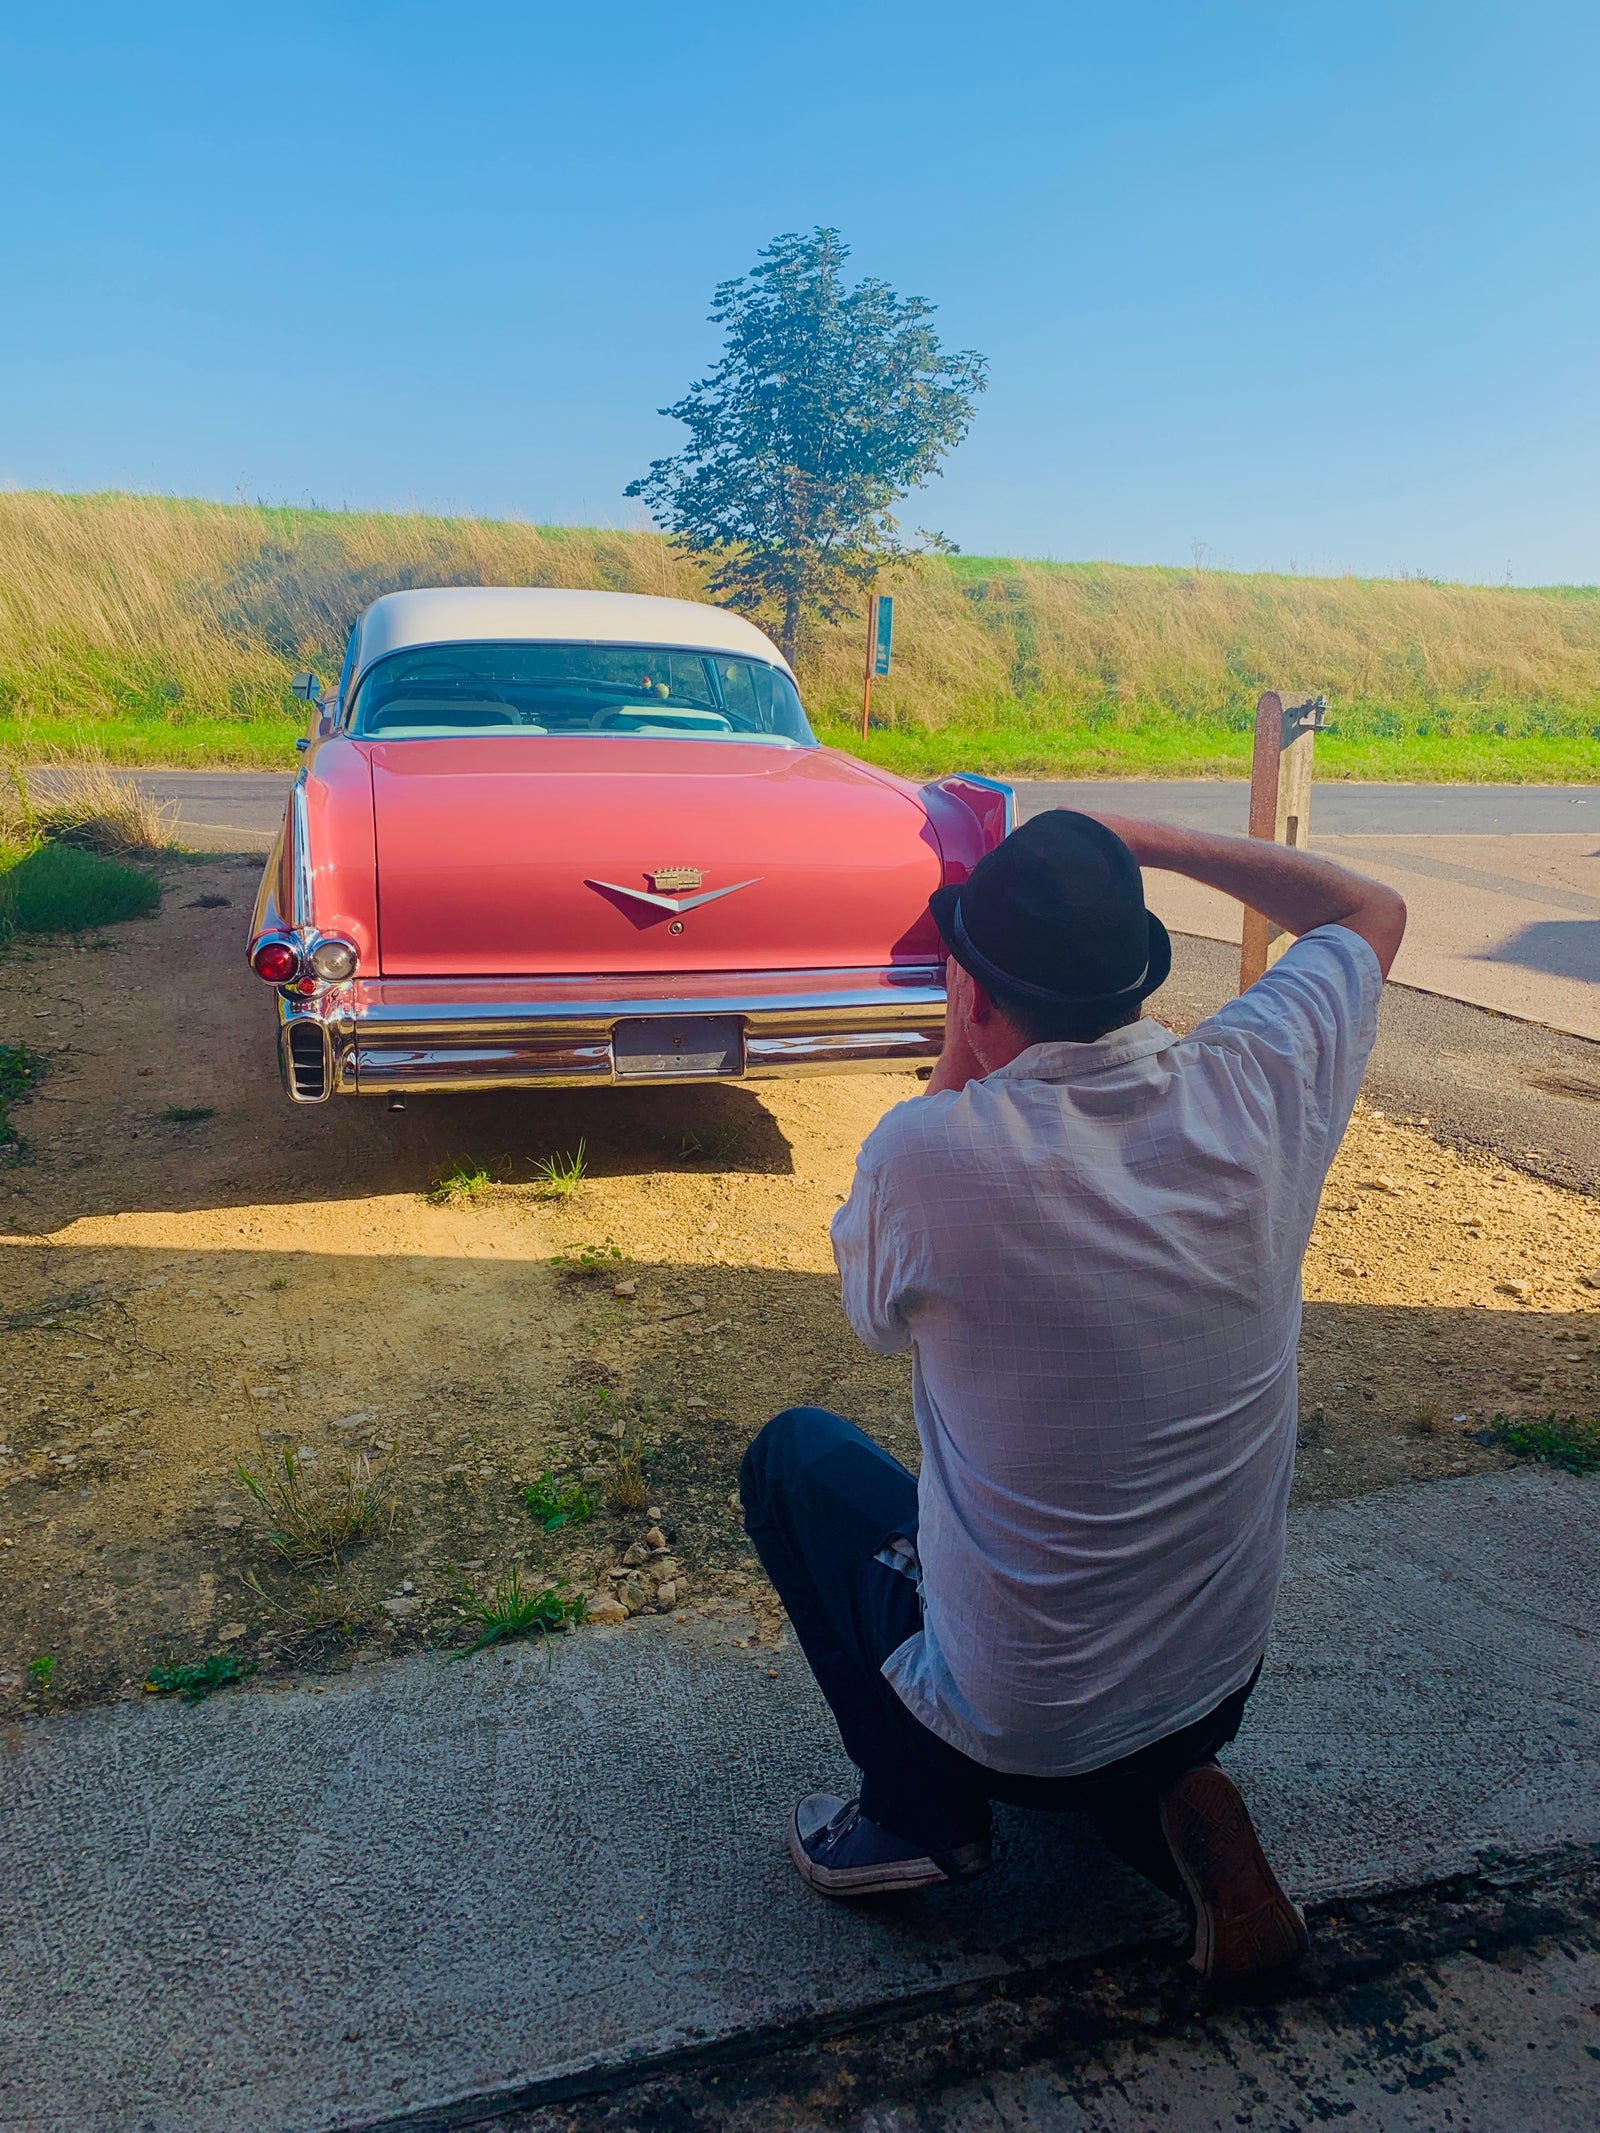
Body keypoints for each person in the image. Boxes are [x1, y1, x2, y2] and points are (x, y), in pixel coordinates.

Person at [740, 809, 1406, 1985]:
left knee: (794, 1462)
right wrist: (1143, 842)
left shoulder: (931, 1153)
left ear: (980, 995)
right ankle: (1162, 1803)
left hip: (1024, 1716)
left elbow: (868, 1321)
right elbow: (1370, 910)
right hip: (1215, 1680)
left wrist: (957, 1046)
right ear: (1133, 968)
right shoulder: (1257, 1082)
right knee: (1106, 1696)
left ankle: (916, 1814)